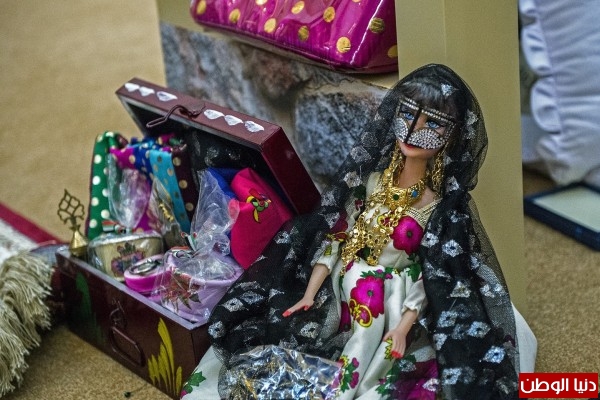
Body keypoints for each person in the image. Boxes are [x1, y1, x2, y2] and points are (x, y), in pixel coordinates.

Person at [186, 64, 531, 400]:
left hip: (389, 293)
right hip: (343, 279)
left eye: (433, 124)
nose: (414, 129)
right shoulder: (373, 182)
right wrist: (310, 293)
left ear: (451, 136)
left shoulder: (435, 208)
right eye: (407, 114)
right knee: (293, 327)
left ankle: (346, 387)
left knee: (370, 324)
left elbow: (429, 273)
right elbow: (339, 238)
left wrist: (403, 327)